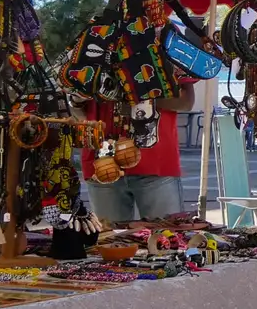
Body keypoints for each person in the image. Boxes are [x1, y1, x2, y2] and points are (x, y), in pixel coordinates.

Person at [82, 89, 196, 223]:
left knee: (167, 237)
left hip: (155, 164)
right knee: (109, 240)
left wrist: (136, 92)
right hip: (102, 163)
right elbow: (79, 111)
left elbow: (186, 101)